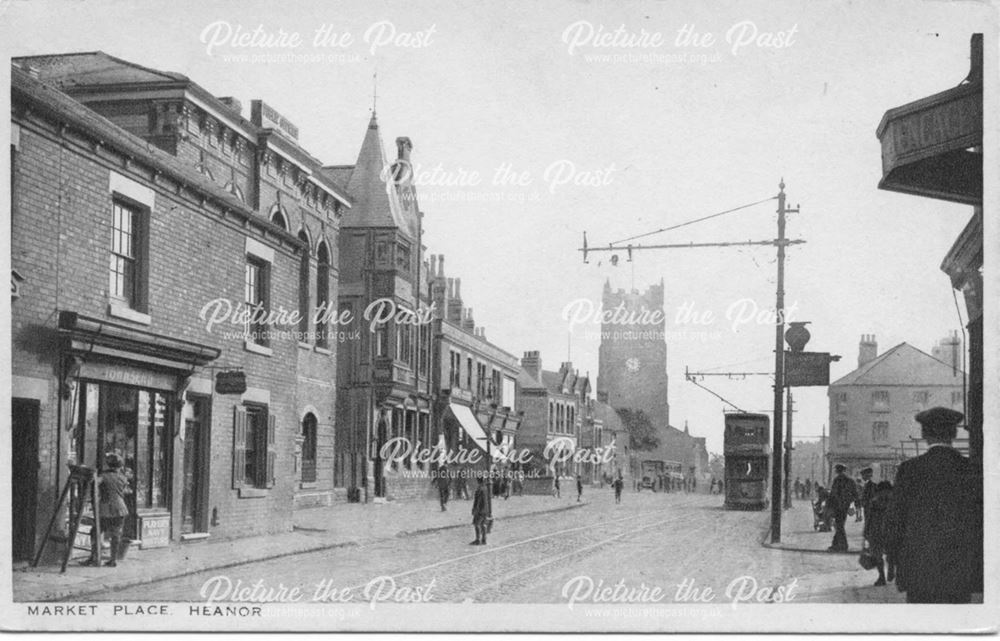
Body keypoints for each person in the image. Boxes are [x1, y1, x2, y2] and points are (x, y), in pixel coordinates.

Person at [886, 407, 983, 603]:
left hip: (919, 571)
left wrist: (893, 561)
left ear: (923, 434)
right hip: (959, 572)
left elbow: (894, 522)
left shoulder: (909, 470)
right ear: (954, 433)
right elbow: (982, 523)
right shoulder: (971, 469)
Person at [97, 452, 130, 567]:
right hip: (121, 508)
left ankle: (94, 557)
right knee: (116, 535)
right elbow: (125, 491)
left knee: (95, 532)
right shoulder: (123, 477)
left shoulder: (104, 476)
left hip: (106, 508)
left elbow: (95, 483)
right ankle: (113, 560)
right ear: (119, 466)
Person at [865, 480, 894, 586]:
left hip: (876, 530)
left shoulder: (874, 501)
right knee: (890, 552)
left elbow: (869, 518)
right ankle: (890, 570)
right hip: (890, 530)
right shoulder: (895, 501)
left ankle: (882, 576)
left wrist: (866, 532)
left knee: (878, 555)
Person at [827, 463, 859, 552]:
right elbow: (855, 494)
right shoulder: (850, 481)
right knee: (840, 525)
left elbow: (833, 494)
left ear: (837, 471)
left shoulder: (837, 480)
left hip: (837, 506)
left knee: (839, 525)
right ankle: (835, 544)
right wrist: (850, 503)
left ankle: (843, 545)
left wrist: (829, 506)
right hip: (845, 506)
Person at [471, 474, 489, 545]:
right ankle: (484, 539)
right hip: (485, 509)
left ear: (478, 481)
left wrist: (475, 509)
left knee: (476, 524)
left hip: (480, 510)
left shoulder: (479, 489)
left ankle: (478, 539)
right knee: (483, 524)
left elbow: (477, 501)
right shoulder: (485, 488)